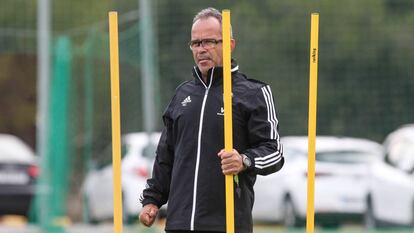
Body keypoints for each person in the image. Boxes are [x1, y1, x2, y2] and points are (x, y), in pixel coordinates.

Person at [139, 7, 284, 233]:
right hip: (179, 224)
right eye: (196, 43)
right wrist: (152, 200)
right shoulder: (181, 95)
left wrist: (244, 160)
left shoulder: (254, 93)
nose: (201, 49)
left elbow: (274, 152)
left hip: (226, 224)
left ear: (229, 45)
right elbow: (165, 155)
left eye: (209, 42)